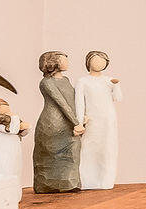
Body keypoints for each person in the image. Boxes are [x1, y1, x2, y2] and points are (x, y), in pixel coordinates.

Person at [33, 51, 85, 193]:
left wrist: (82, 117)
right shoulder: (46, 82)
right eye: (63, 59)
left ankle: (70, 183)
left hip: (69, 123)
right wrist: (76, 122)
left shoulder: (66, 80)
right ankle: (47, 185)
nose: (67, 62)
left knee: (73, 152)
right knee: (50, 155)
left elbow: (74, 101)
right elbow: (61, 103)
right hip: (53, 124)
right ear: (53, 62)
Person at [77, 51, 122, 190]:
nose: (99, 63)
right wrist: (79, 122)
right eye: (96, 60)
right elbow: (79, 102)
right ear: (88, 62)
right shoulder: (82, 81)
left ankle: (106, 181)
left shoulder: (109, 80)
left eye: (103, 61)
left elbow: (119, 98)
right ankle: (87, 181)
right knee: (89, 149)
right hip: (91, 120)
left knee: (108, 149)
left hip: (108, 120)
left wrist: (116, 85)